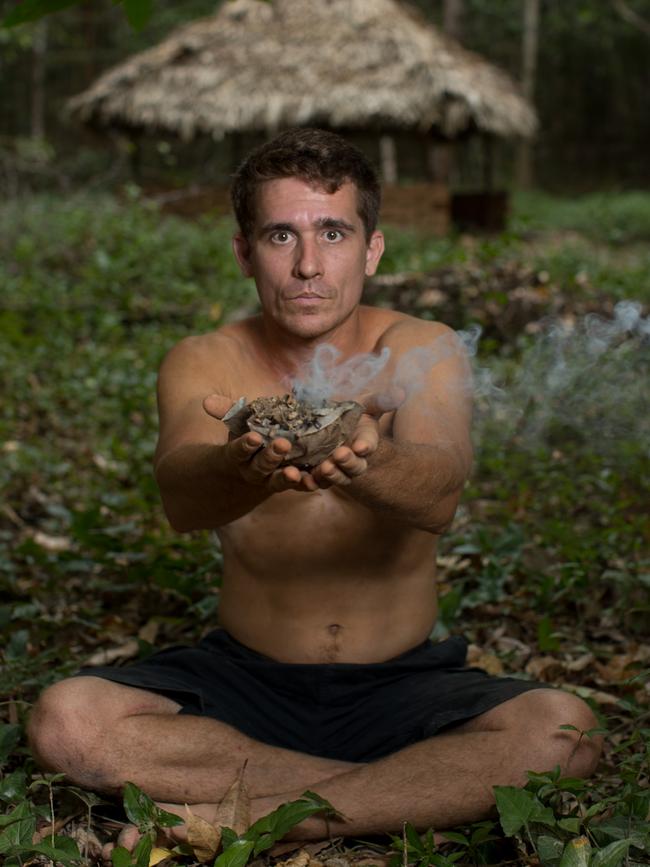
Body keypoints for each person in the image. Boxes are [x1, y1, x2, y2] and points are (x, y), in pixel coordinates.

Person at [28, 128, 601, 843]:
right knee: (67, 719)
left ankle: (269, 811)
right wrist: (243, 465)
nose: (307, 264)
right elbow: (182, 496)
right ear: (244, 250)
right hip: (246, 684)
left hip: (403, 683)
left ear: (373, 248)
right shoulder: (206, 358)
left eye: (333, 232)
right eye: (279, 235)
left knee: (564, 729)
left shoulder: (422, 347)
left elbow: (439, 493)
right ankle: (395, 790)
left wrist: (366, 458)